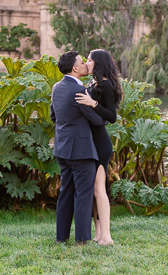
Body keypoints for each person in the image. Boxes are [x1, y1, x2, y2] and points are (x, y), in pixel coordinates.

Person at [51, 51, 105, 244]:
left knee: (66, 192)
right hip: (81, 149)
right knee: (84, 193)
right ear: (75, 68)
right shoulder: (78, 91)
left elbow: (54, 116)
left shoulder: (56, 88)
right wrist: (97, 105)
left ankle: (61, 238)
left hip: (62, 148)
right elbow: (97, 120)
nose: (86, 65)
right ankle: (82, 239)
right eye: (83, 62)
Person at [75, 49, 123, 246]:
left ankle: (107, 236)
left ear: (99, 62)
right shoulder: (93, 83)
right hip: (89, 140)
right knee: (93, 190)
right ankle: (98, 233)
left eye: (90, 60)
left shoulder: (106, 85)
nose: (87, 63)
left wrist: (93, 103)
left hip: (100, 142)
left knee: (99, 189)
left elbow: (112, 116)